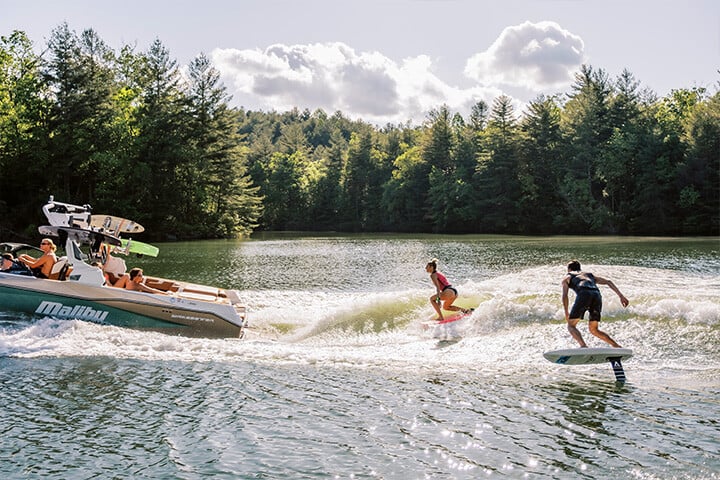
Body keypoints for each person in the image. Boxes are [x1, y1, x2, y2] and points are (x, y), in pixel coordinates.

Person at [561, 260, 630, 348]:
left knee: (571, 326)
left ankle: (583, 346)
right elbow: (608, 281)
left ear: (569, 269)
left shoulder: (567, 277)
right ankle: (616, 346)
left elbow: (564, 296)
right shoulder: (589, 275)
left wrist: (566, 312)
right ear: (579, 268)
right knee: (594, 329)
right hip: (596, 295)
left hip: (584, 294)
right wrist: (621, 296)